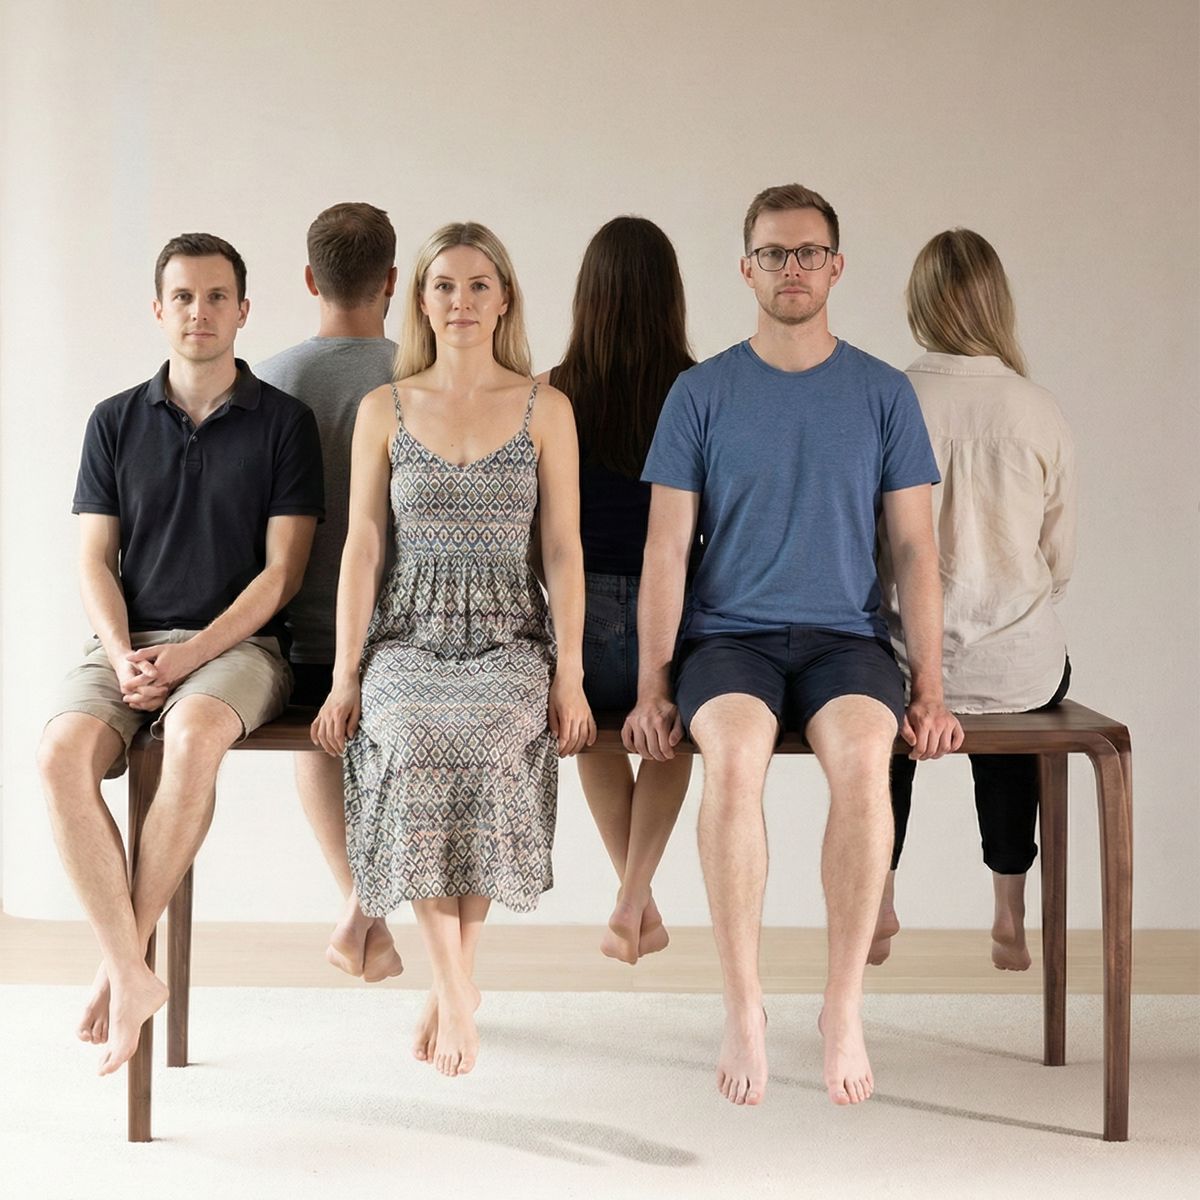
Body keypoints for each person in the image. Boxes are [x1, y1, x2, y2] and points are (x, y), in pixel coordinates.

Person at [624, 183, 963, 1110]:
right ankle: (744, 1003)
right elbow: (665, 549)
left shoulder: (883, 393)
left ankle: (842, 1003)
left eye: (809, 252)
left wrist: (928, 688)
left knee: (862, 760)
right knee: (731, 758)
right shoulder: (701, 393)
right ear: (747, 269)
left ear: (837, 267)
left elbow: (916, 551)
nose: (793, 268)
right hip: (729, 639)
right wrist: (655, 686)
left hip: (844, 640)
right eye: (774, 254)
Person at [312, 221, 594, 1078]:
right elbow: (362, 542)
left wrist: (571, 673)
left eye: (478, 285)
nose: (461, 302)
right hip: (408, 632)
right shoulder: (382, 408)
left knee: (480, 741)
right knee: (417, 736)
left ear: (504, 297)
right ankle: (456, 985)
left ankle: (450, 986)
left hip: (510, 632)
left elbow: (563, 550)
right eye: (444, 286)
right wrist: (345, 672)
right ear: (419, 299)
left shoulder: (547, 407)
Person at [38, 233, 323, 1076]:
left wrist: (193, 651)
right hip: (130, 642)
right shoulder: (114, 421)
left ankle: (115, 966)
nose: (200, 312)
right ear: (158, 309)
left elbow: (283, 574)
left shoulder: (285, 423)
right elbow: (93, 559)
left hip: (242, 648)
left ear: (243, 309)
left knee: (194, 736)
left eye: (216, 296)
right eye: (184, 297)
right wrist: (125, 653)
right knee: (59, 757)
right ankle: (132, 970)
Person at [873, 228, 1076, 971]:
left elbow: (870, 543)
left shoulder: (890, 395)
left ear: (919, 303)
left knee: (879, 737)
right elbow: (1059, 557)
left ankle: (881, 895)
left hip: (902, 657)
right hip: (1017, 662)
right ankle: (1008, 909)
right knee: (1016, 727)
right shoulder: (1037, 408)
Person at [537, 216, 696, 965]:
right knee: (668, 737)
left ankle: (637, 900)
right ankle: (635, 897)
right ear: (672, 296)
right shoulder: (702, 390)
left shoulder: (548, 395)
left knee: (593, 727)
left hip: (584, 606)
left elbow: (535, 527)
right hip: (679, 606)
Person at [255, 202, 404, 984]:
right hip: (403, 636)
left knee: (317, 740)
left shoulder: (272, 379)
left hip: (299, 643)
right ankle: (367, 910)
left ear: (311, 279)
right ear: (392, 280)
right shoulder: (420, 372)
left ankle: (358, 904)